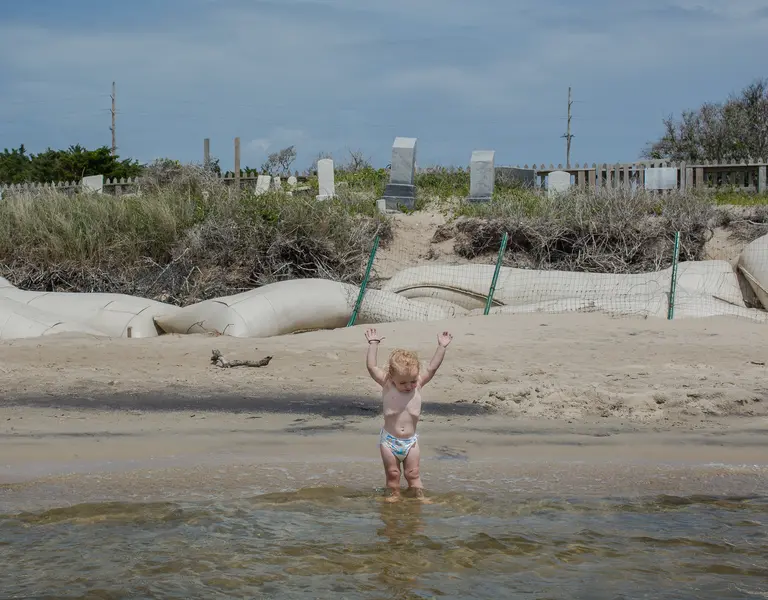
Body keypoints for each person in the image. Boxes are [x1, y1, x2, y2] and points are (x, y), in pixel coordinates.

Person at [364, 327, 453, 502]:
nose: (408, 386)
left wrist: (442, 347)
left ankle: (419, 497)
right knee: (393, 474)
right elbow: (372, 367)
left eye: (412, 381)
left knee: (413, 474)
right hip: (389, 441)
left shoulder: (418, 383)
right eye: (403, 382)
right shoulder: (387, 384)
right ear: (392, 377)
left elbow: (432, 368)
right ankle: (394, 496)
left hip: (410, 442)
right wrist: (373, 344)